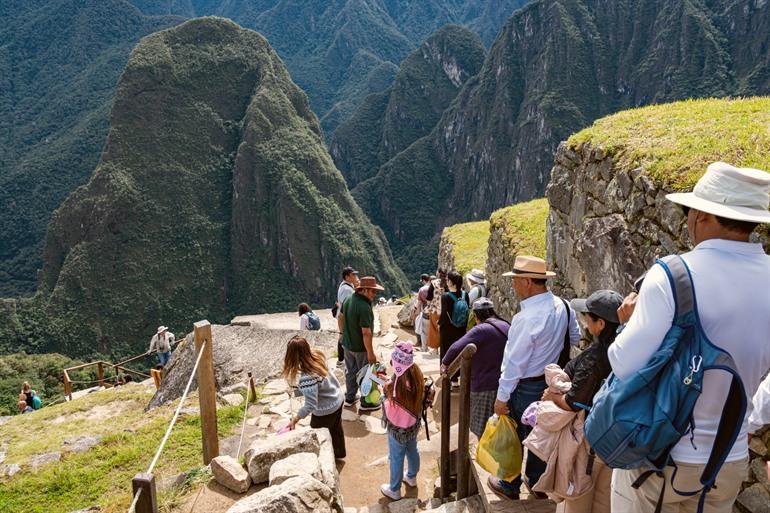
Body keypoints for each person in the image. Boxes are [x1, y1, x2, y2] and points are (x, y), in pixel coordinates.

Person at [608, 162, 770, 513]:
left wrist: (626, 324)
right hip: (729, 458)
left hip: (663, 459)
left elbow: (624, 364)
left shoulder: (673, 274)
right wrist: (752, 420)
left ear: (700, 216)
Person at [489, 255, 580, 500]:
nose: (513, 285)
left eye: (516, 280)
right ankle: (538, 483)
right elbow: (575, 335)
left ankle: (510, 484)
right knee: (543, 433)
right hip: (550, 383)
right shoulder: (564, 305)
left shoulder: (526, 319)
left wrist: (501, 398)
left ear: (528, 282)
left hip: (526, 386)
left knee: (515, 435)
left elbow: (514, 364)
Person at [539, 289, 624, 513]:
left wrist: (552, 396)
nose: (585, 321)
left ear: (601, 324)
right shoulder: (627, 351)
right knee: (604, 501)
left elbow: (574, 402)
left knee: (577, 498)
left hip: (589, 439)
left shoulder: (594, 358)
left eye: (588, 316)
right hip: (616, 438)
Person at [442, 298, 509, 438]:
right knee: (499, 425)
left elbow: (456, 347)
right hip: (505, 384)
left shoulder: (481, 330)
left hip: (483, 385)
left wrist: (445, 364)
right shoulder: (506, 325)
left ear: (476, 315)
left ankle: (486, 456)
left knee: (483, 428)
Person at [283, 336, 346, 459]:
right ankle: (339, 453)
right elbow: (318, 386)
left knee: (318, 437)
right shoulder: (318, 356)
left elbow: (310, 404)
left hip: (325, 410)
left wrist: (295, 420)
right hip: (337, 399)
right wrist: (298, 391)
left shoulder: (307, 377)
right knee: (336, 429)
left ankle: (325, 460)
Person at [380, 342, 425, 500]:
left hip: (398, 429)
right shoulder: (416, 375)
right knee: (412, 450)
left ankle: (395, 490)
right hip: (413, 425)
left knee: (396, 457)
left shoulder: (398, 383)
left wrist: (384, 392)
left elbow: (389, 403)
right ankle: (411, 477)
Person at [338, 275, 384, 412]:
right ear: (364, 290)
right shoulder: (364, 307)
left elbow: (340, 317)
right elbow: (366, 333)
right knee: (365, 373)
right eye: (373, 291)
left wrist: (342, 334)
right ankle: (367, 402)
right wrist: (370, 353)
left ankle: (350, 398)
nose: (374, 294)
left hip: (347, 344)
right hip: (360, 348)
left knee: (350, 371)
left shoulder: (348, 300)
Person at [439, 271, 468, 386]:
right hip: (461, 330)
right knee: (459, 352)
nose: (446, 282)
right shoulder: (466, 295)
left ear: (451, 282)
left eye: (447, 280)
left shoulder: (446, 297)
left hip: (447, 331)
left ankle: (447, 379)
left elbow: (444, 315)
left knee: (447, 353)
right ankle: (456, 380)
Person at [334, 267, 359, 368]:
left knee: (344, 337)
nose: (355, 276)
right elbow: (346, 307)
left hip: (344, 317)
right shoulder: (347, 289)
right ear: (347, 277)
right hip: (345, 317)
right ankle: (341, 360)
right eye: (353, 275)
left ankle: (342, 359)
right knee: (343, 336)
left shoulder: (346, 285)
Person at [424, 270, 446, 353]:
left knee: (434, 329)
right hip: (445, 310)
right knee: (443, 329)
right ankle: (443, 348)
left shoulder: (434, 283)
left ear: (438, 274)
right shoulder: (448, 283)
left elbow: (429, 298)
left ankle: (436, 349)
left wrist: (429, 305)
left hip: (435, 310)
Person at [414, 274, 431, 351]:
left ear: (424, 280)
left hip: (426, 312)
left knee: (424, 331)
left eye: (422, 281)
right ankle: (435, 349)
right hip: (435, 313)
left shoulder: (422, 290)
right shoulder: (434, 287)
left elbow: (419, 303)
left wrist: (415, 311)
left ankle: (424, 348)